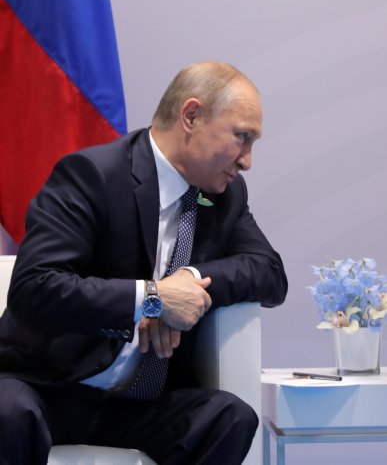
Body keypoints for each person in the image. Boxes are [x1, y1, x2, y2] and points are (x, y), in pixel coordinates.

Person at [0, 61, 288, 464]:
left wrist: (188, 283)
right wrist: (152, 299)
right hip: (49, 386)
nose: (247, 161)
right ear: (191, 116)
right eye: (242, 137)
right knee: (6, 413)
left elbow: (270, 273)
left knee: (229, 417)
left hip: (139, 403)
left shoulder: (225, 195)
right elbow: (36, 287)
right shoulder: (93, 176)